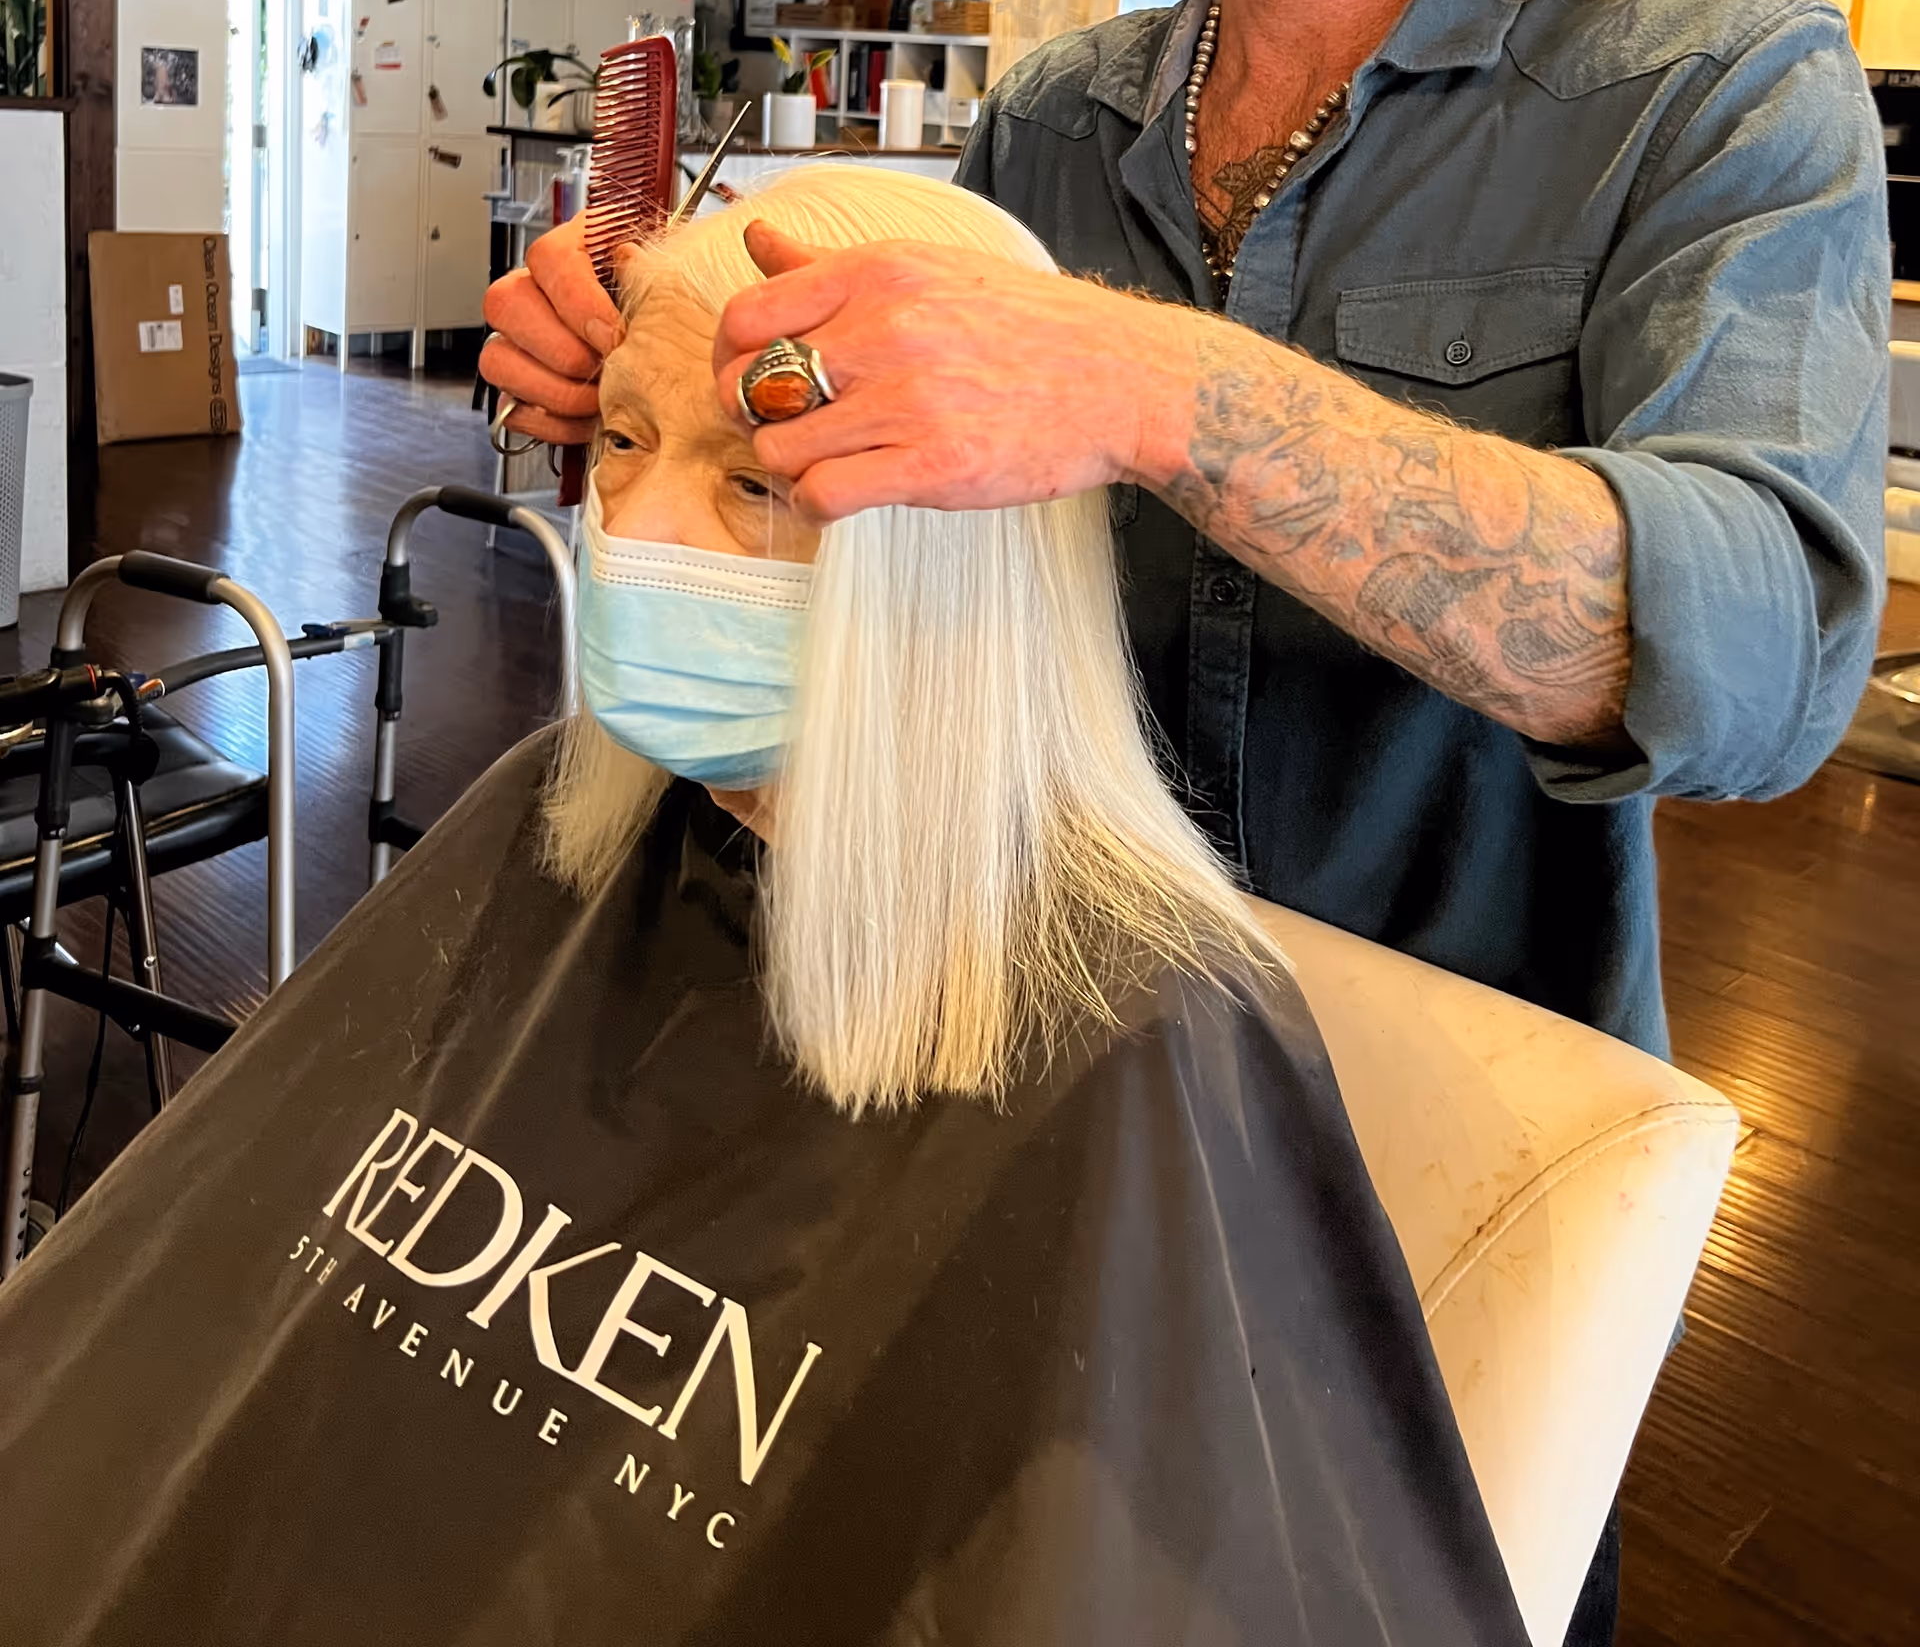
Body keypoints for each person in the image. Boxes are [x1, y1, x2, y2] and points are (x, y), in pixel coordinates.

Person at [481, 0, 1891, 1643]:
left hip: (1435, 1163)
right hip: (1035, 1097)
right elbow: (897, 566)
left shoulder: (1713, 91)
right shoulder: (1059, 119)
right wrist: (654, 397)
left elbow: (1760, 654)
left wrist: (1163, 389)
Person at [0, 170, 1526, 1647]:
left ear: (945, 543)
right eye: (621, 441)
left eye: (752, 480)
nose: (637, 532)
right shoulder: (557, 822)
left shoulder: (1135, 1042)